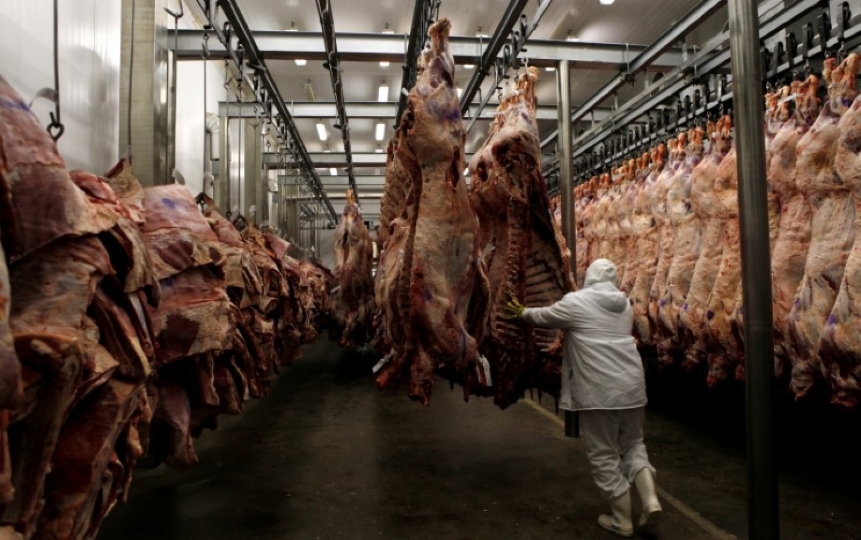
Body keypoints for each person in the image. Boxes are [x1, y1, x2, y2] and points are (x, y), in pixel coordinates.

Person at [505, 258, 662, 537]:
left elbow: (546, 317)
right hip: (633, 386)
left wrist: (522, 313)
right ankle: (650, 500)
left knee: (603, 452)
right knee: (633, 443)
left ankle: (621, 519)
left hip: (600, 389)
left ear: (589, 276)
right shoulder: (624, 305)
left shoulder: (577, 302)